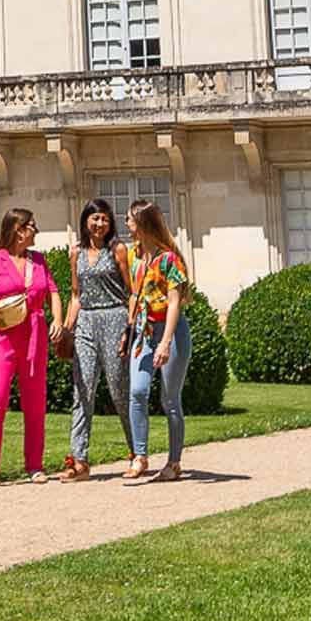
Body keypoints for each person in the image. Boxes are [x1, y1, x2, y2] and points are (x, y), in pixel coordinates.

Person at [0, 206, 55, 483]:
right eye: (32, 226)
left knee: (35, 403)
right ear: (18, 230)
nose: (36, 231)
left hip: (34, 338)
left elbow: (53, 291)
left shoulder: (39, 261)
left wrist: (58, 320)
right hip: (1, 338)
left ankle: (34, 465)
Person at [58, 197, 134, 480]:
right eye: (95, 218)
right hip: (86, 321)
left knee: (119, 390)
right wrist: (67, 328)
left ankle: (137, 452)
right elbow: (76, 294)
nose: (100, 223)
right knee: (83, 391)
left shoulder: (118, 250)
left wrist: (130, 327)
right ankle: (79, 460)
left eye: (104, 218)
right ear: (85, 222)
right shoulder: (76, 252)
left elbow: (131, 291)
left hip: (114, 318)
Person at [124, 198, 190, 485]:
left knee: (169, 399)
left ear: (142, 224)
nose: (126, 224)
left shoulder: (169, 259)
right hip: (144, 331)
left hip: (171, 331)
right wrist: (130, 330)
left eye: (130, 219)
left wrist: (165, 343)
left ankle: (174, 462)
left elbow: (175, 303)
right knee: (137, 392)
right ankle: (140, 456)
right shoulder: (133, 256)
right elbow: (134, 296)